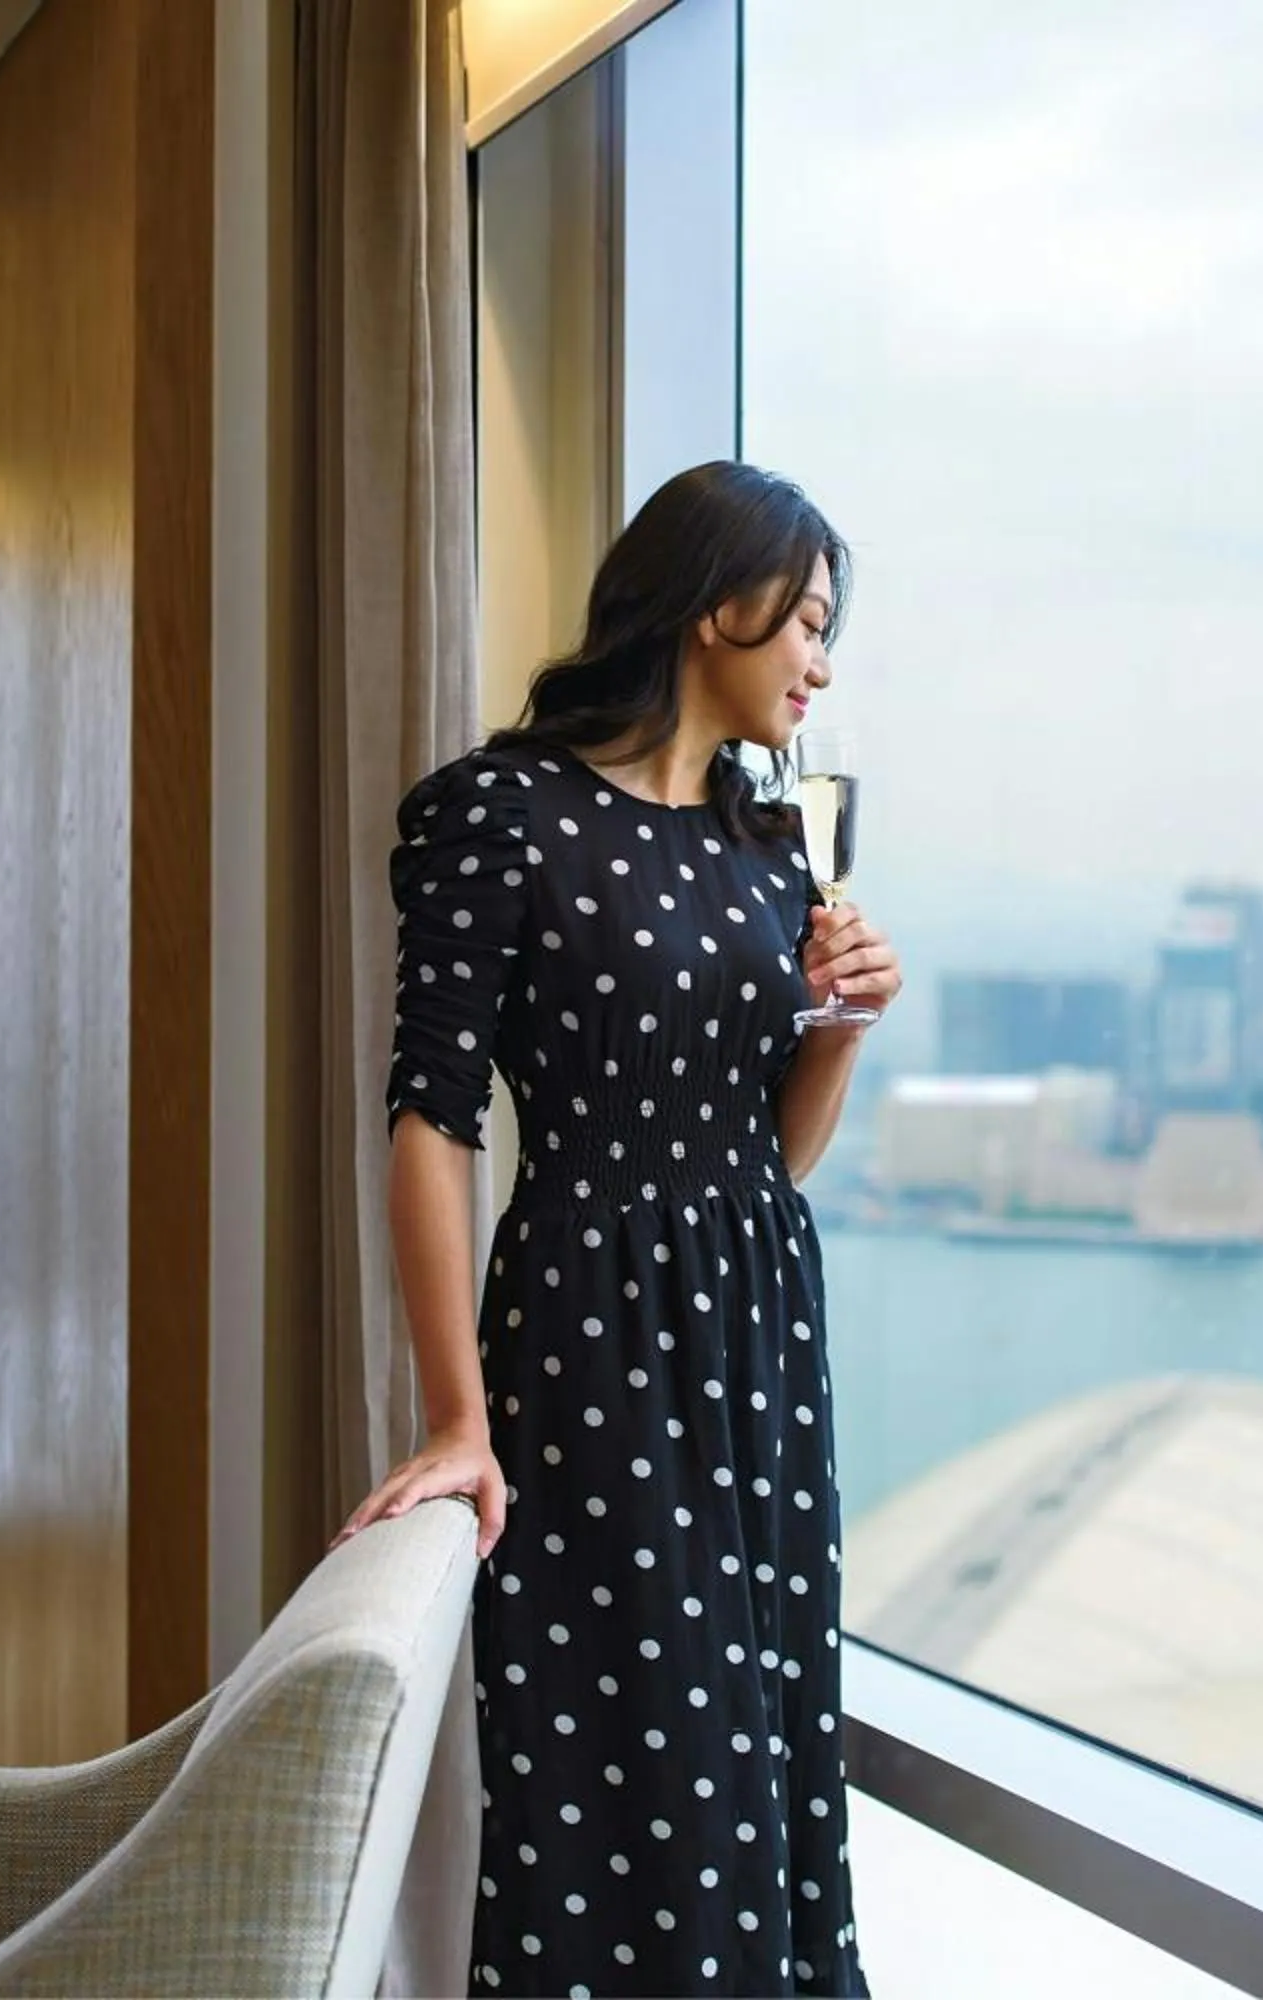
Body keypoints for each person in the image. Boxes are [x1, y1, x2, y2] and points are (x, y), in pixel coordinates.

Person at [336, 461, 901, 1996]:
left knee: (768, 1766)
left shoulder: (766, 837)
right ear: (724, 599)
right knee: (632, 1790)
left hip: (764, 1341)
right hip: (591, 1341)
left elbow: (768, 1156)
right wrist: (461, 1417)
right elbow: (431, 1120)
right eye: (810, 621)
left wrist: (835, 1028)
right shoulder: (499, 814)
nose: (822, 662)